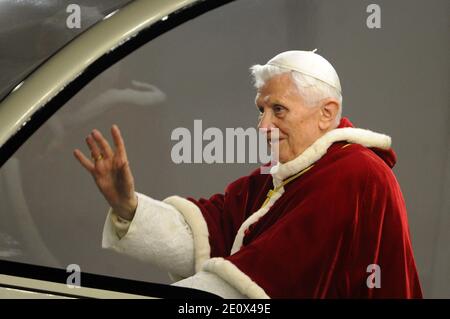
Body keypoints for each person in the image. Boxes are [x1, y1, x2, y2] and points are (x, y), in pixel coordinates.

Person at [73, 50, 423, 298]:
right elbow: (214, 231)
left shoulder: (355, 174)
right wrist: (129, 207)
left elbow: (269, 276)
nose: (263, 126)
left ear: (325, 113)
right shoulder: (284, 176)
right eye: (261, 110)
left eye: (278, 110)